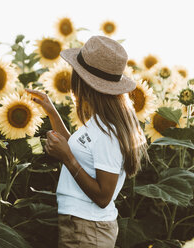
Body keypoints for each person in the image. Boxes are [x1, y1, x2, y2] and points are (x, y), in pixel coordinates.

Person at [26, 35, 149, 248]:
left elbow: (103, 197)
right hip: (82, 225)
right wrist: (52, 113)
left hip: (88, 230)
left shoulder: (108, 133)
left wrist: (66, 158)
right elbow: (79, 148)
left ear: (82, 82)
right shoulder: (100, 122)